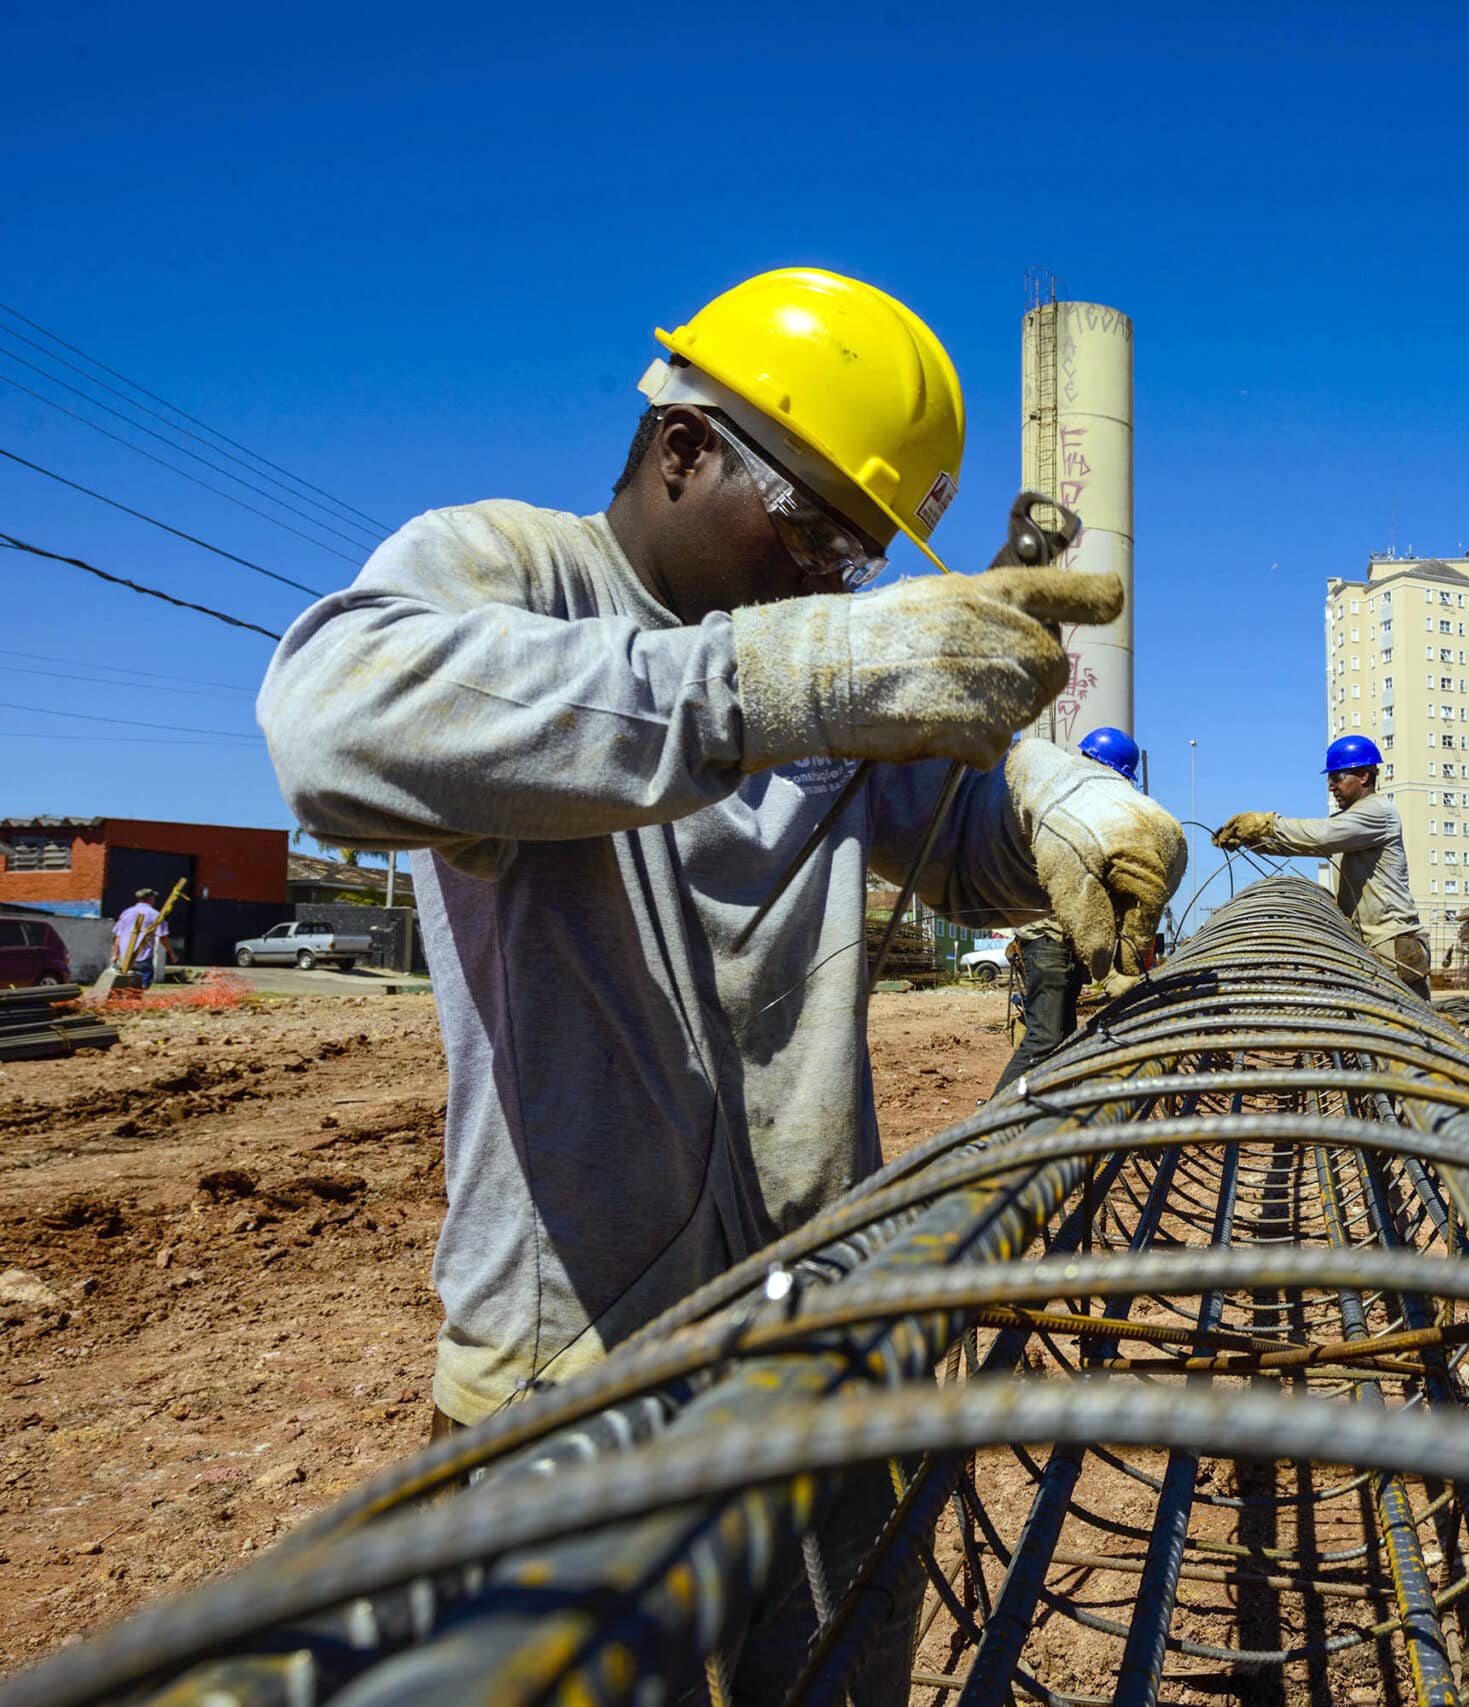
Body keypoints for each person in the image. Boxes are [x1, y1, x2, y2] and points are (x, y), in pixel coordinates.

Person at [259, 266, 1185, 1425]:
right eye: (808, 529)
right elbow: (332, 727)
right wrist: (783, 679)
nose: (823, 579)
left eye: (856, 562)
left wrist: (1058, 807)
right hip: (574, 1370)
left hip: (806, 1326)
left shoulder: (817, 685)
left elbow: (960, 841)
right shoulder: (515, 572)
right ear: (684, 448)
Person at [1212, 735, 1431, 1000]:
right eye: (1329, 779)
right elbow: (1308, 843)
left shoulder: (1378, 813)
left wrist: (1266, 826)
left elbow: (1321, 836)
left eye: (1337, 778)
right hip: (1374, 945)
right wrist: (1254, 840)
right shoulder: (1352, 820)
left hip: (1393, 946)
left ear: (1363, 776)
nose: (1331, 786)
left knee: (1405, 1031)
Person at [989, 725, 1144, 1094]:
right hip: (1047, 938)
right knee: (1044, 1038)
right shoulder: (1070, 810)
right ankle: (990, 1128)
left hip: (1059, 939)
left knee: (1061, 1037)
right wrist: (1109, 973)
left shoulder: (1070, 801)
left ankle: (1035, 1121)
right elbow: (1079, 894)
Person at [110, 887, 169, 988]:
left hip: (125, 956)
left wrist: (115, 954)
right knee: (142, 987)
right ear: (150, 899)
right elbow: (163, 937)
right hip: (143, 956)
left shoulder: (126, 913)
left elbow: (118, 936)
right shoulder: (155, 914)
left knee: (126, 987)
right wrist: (171, 954)